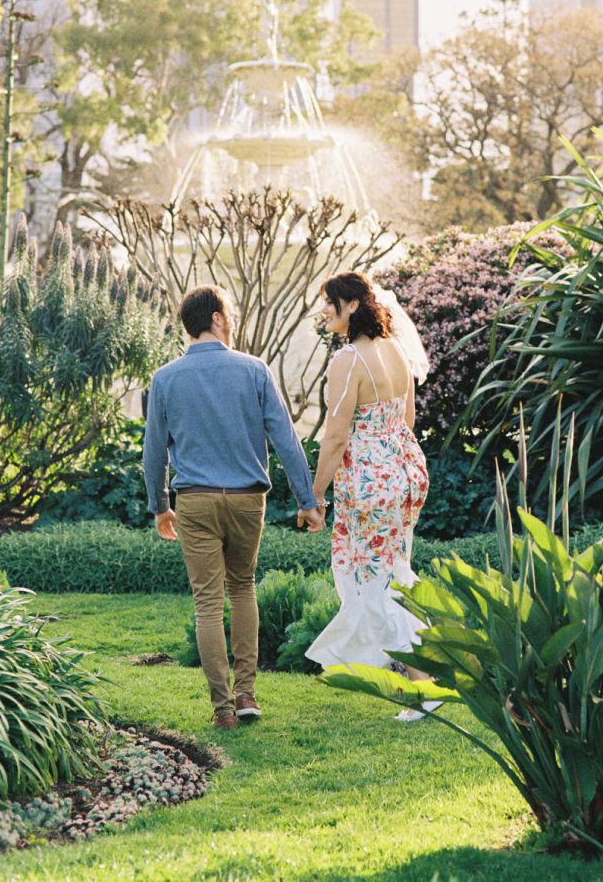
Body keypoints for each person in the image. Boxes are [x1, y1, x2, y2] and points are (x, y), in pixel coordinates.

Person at [143, 284, 324, 731]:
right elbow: (286, 438)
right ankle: (247, 693)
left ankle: (222, 709)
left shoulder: (166, 378)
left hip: (195, 501)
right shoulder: (253, 369)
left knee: (207, 604)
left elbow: (153, 453)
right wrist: (307, 501)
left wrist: (159, 505)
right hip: (247, 500)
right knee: (242, 588)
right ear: (218, 318)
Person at [305, 272, 438, 721]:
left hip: (369, 483)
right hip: (404, 473)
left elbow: (336, 435)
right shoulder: (397, 351)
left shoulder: (349, 360)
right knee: (394, 573)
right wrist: (391, 465)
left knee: (373, 582)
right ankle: (422, 671)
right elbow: (408, 418)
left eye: (330, 302)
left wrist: (315, 493)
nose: (325, 310)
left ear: (353, 305)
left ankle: (425, 687)